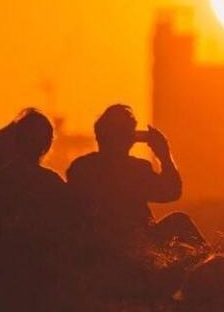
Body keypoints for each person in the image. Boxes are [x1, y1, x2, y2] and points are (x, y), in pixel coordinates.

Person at [67, 104, 204, 250]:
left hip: (95, 243)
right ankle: (212, 260)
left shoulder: (80, 167)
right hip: (136, 243)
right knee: (179, 221)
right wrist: (164, 154)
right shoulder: (136, 169)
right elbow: (172, 192)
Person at [0, 109, 70, 310]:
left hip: (7, 270)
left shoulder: (3, 177)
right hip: (42, 271)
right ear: (47, 143)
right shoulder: (52, 182)